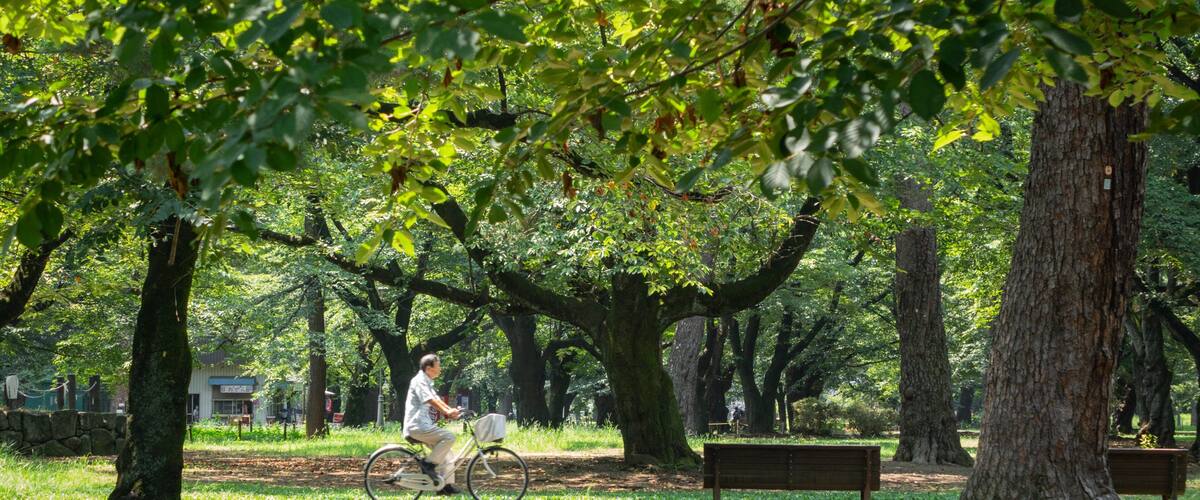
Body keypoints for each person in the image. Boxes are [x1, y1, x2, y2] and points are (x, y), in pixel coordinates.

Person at [404, 354, 461, 496]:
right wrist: (447, 411)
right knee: (449, 437)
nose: (440, 369)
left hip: (423, 425)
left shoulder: (427, 381)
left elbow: (436, 399)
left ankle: (444, 486)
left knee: (447, 453)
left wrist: (449, 411)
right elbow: (429, 400)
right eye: (438, 365)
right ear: (429, 368)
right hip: (417, 425)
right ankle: (427, 465)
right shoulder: (419, 381)